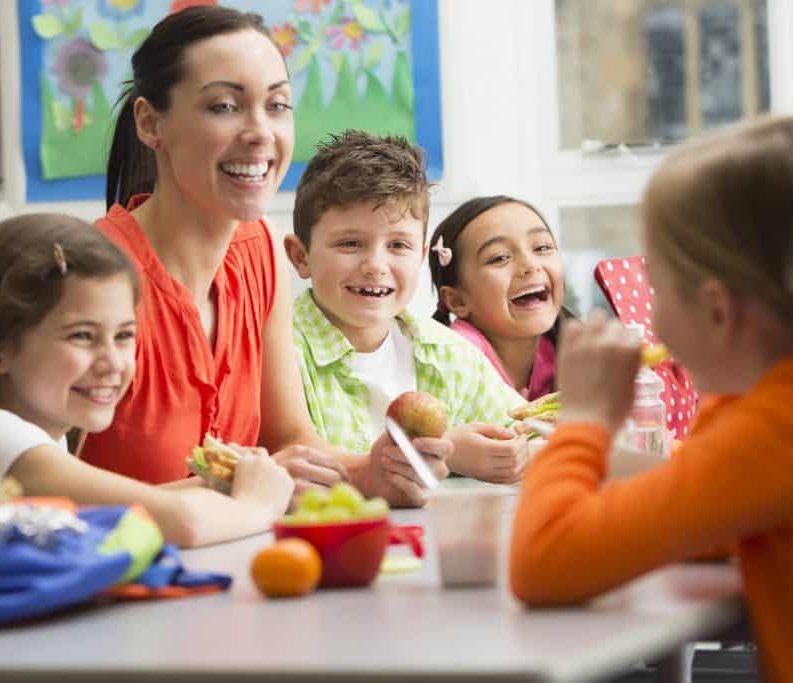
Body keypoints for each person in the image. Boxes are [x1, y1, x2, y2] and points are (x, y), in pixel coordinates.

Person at [509, 116, 793, 682]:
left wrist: (583, 423)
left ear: (716, 311)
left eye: (658, 287)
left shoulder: (791, 419)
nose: (649, 316)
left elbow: (544, 564)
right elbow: (702, 512)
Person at [81, 6, 447, 506]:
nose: (260, 133)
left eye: (276, 105)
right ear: (150, 123)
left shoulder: (258, 251)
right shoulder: (88, 275)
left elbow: (288, 440)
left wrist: (371, 471)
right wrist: (237, 487)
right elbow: (36, 495)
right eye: (224, 107)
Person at [0, 214, 294, 548]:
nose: (112, 362)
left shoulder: (20, 429)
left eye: (125, 335)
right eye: (82, 336)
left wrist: (216, 483)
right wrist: (257, 505)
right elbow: (178, 523)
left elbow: (108, 509)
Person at [283, 130, 528, 484]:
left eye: (398, 245)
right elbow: (293, 467)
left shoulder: (449, 355)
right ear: (300, 256)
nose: (375, 265)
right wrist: (449, 451)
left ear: (421, 255)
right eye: (350, 243)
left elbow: (528, 431)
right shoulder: (281, 354)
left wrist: (516, 454)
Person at [428, 196, 568, 400]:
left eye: (542, 248)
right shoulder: (451, 364)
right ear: (457, 301)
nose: (530, 265)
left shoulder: (565, 350)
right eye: (500, 257)